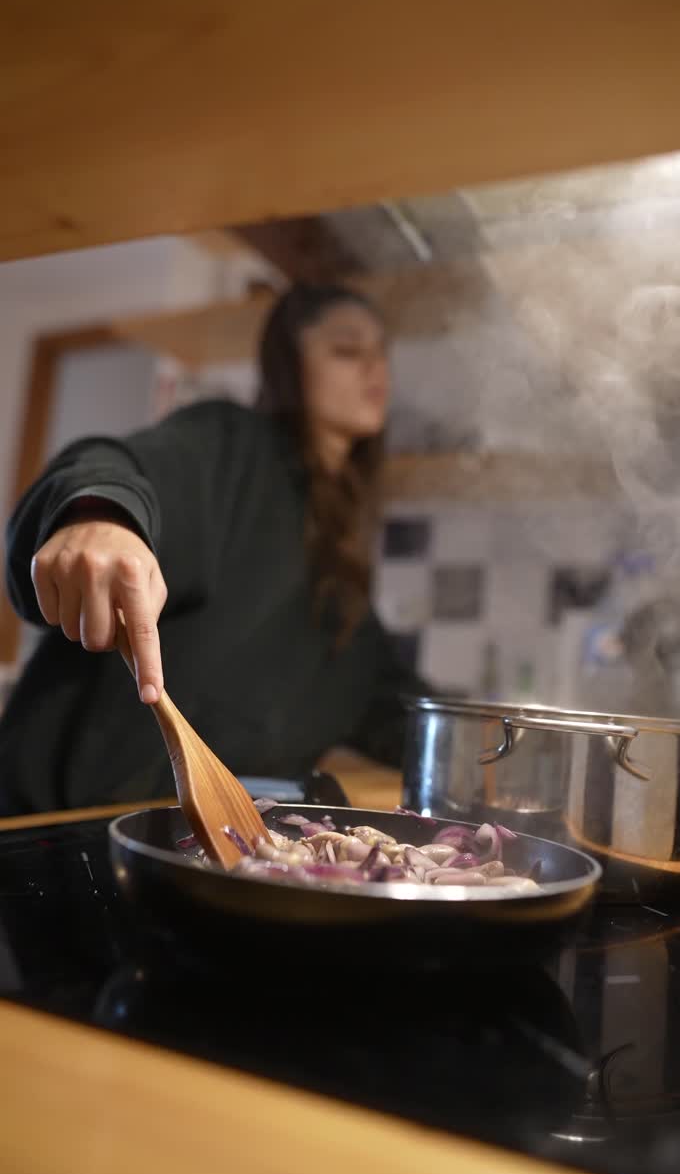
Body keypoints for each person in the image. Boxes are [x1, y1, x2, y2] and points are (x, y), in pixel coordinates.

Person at [0, 284, 427, 815]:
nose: (375, 369)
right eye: (346, 350)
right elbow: (118, 464)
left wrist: (488, 741)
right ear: (287, 365)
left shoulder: (337, 556)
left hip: (217, 850)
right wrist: (101, 513)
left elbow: (382, 696)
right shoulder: (232, 445)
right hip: (59, 831)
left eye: (381, 352)